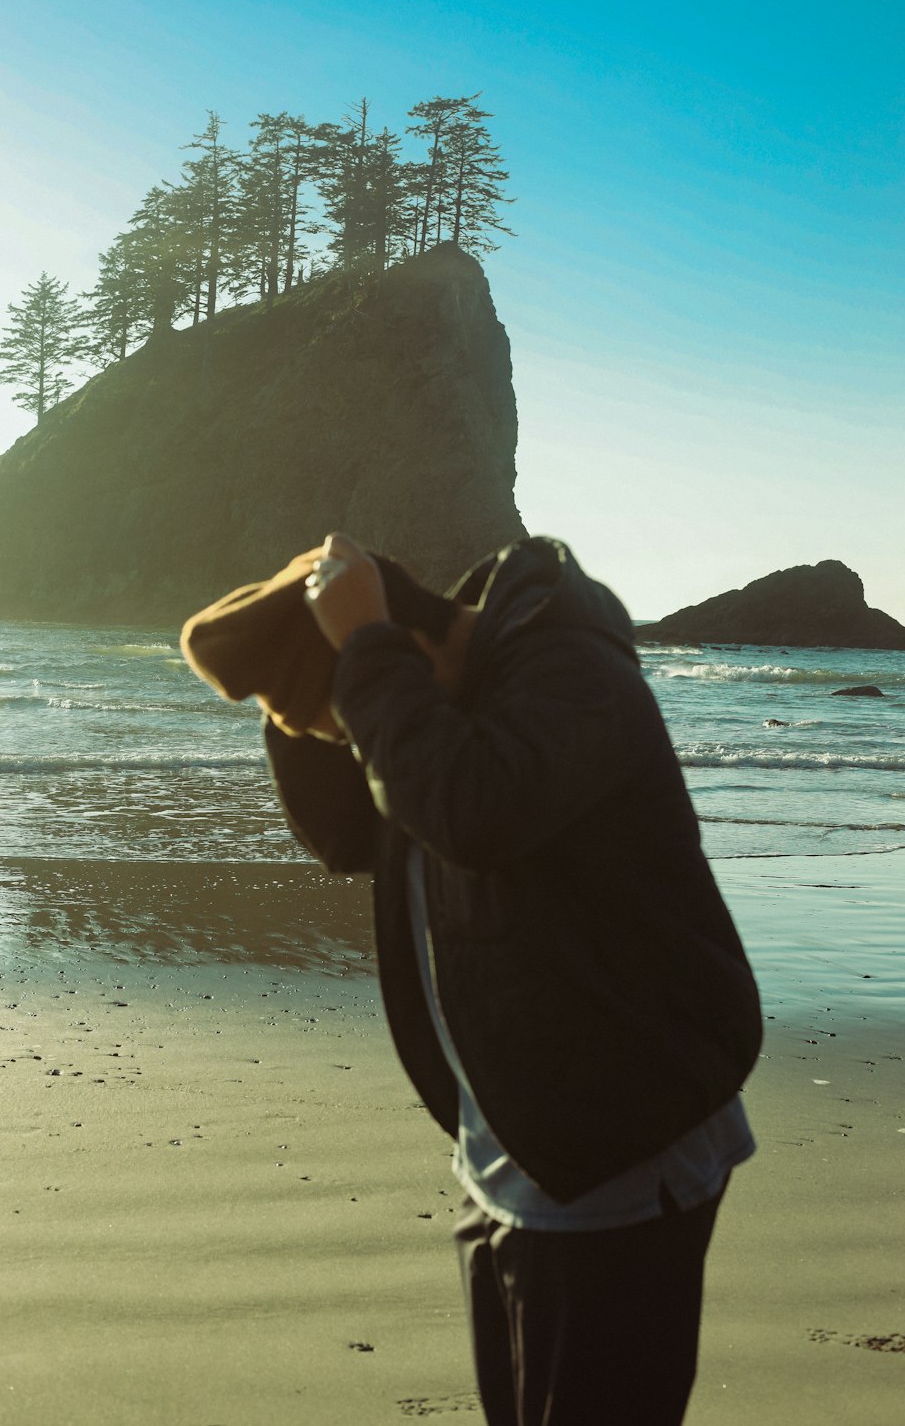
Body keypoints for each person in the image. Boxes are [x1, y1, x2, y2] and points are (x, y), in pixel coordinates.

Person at [181, 531, 762, 1426]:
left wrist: (361, 651)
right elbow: (343, 832)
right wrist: (308, 671)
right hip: (514, 1146)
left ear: (403, 657)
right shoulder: (434, 716)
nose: (360, 742)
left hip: (617, 1148)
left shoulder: (567, 675)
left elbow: (474, 811)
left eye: (353, 717)